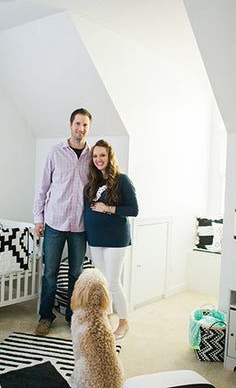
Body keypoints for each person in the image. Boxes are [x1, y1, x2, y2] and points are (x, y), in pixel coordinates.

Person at [33, 108, 92, 336]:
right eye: (78, 124)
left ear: (89, 127)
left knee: (76, 273)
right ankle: (45, 317)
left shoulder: (92, 155)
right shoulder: (55, 152)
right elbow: (42, 188)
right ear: (70, 125)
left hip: (80, 225)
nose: (81, 129)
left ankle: (72, 316)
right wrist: (38, 218)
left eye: (85, 125)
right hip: (55, 223)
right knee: (50, 273)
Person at [84, 139, 138, 339]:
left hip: (115, 239)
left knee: (113, 282)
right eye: (96, 156)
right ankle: (106, 320)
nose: (99, 159)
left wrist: (107, 208)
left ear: (109, 157)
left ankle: (123, 322)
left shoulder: (122, 180)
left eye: (102, 155)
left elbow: (133, 210)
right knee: (102, 283)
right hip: (95, 239)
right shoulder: (93, 182)